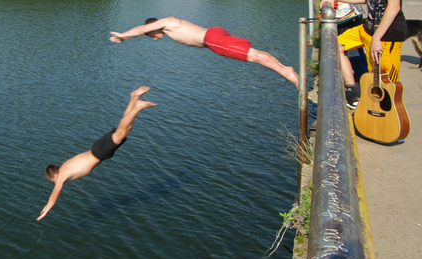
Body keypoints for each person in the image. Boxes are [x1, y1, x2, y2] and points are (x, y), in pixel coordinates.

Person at [36, 86, 156, 221]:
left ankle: (137, 107)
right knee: (124, 129)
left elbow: (55, 193)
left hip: (99, 153)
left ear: (55, 175)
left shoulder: (62, 175)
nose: (55, 183)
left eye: (53, 180)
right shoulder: (65, 165)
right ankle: (134, 98)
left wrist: (48, 207)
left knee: (122, 132)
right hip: (96, 148)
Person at [109, 17, 300, 86]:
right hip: (214, 33)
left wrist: (123, 36)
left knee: (254, 56)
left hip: (212, 40)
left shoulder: (164, 23)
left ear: (153, 29)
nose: (155, 39)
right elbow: (145, 31)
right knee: (254, 53)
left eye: (153, 36)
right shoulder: (170, 23)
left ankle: (286, 71)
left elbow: (141, 30)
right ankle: (285, 69)